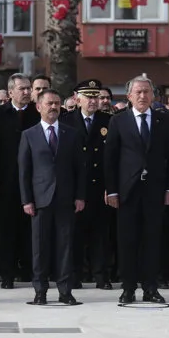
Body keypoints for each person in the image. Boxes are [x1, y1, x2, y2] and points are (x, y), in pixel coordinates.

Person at [105, 75, 169, 304]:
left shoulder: (164, 121)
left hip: (154, 191)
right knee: (127, 241)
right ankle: (128, 288)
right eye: (137, 92)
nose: (142, 96)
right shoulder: (118, 121)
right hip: (127, 191)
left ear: (153, 95)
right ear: (128, 96)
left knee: (152, 241)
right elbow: (110, 158)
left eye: (146, 92)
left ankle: (150, 288)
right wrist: (112, 190)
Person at [19, 89, 86, 305]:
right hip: (40, 200)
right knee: (40, 247)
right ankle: (40, 291)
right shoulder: (29, 135)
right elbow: (24, 171)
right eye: (49, 103)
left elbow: (80, 169)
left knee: (65, 247)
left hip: (66, 199)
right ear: (39, 107)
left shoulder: (71, 133)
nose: (54, 107)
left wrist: (80, 196)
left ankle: (65, 291)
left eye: (57, 103)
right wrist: (26, 200)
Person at [0, 73, 40, 287]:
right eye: (22, 89)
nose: (26, 92)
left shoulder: (37, 113)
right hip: (6, 181)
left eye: (28, 88)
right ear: (10, 92)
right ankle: (6, 274)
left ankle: (28, 270)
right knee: (6, 229)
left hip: (34, 182)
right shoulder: (0, 114)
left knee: (31, 229)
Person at [61, 80, 113, 289]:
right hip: (75, 188)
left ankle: (101, 276)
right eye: (88, 96)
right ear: (77, 98)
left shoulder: (109, 121)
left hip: (100, 186)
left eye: (95, 96)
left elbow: (113, 157)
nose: (93, 101)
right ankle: (75, 274)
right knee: (75, 234)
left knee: (101, 235)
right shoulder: (66, 121)